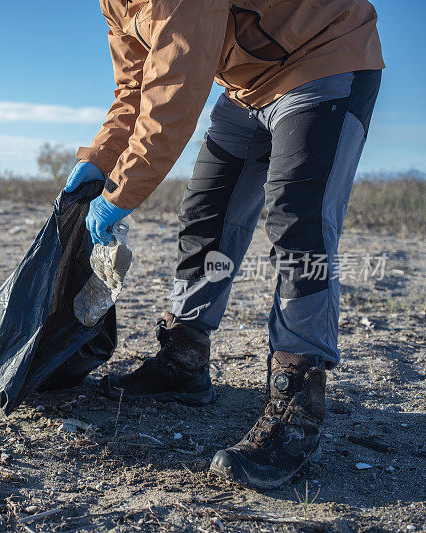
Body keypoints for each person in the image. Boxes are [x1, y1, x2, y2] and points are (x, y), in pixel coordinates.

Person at [64, 0, 383, 490]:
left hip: (324, 57)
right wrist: (100, 158)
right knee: (207, 214)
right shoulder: (116, 4)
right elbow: (136, 88)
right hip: (246, 87)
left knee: (299, 221)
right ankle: (184, 360)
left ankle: (297, 399)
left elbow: (173, 96)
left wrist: (120, 192)